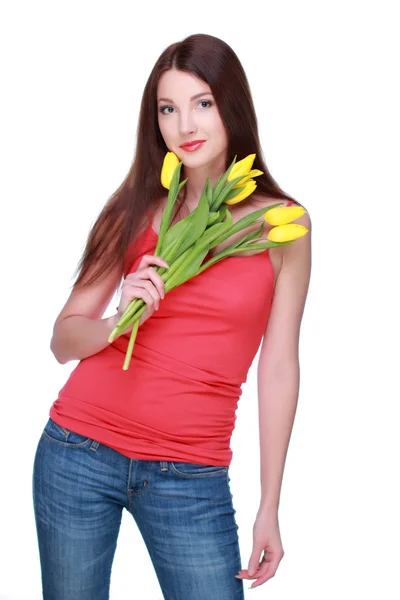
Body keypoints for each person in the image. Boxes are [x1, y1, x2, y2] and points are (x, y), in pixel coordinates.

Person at [32, 33, 311, 599]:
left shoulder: (284, 225)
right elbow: (63, 339)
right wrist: (118, 321)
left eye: (201, 103)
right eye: (168, 108)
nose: (185, 124)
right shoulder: (136, 204)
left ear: (231, 105)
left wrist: (269, 506)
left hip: (190, 476)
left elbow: (278, 366)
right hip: (77, 453)